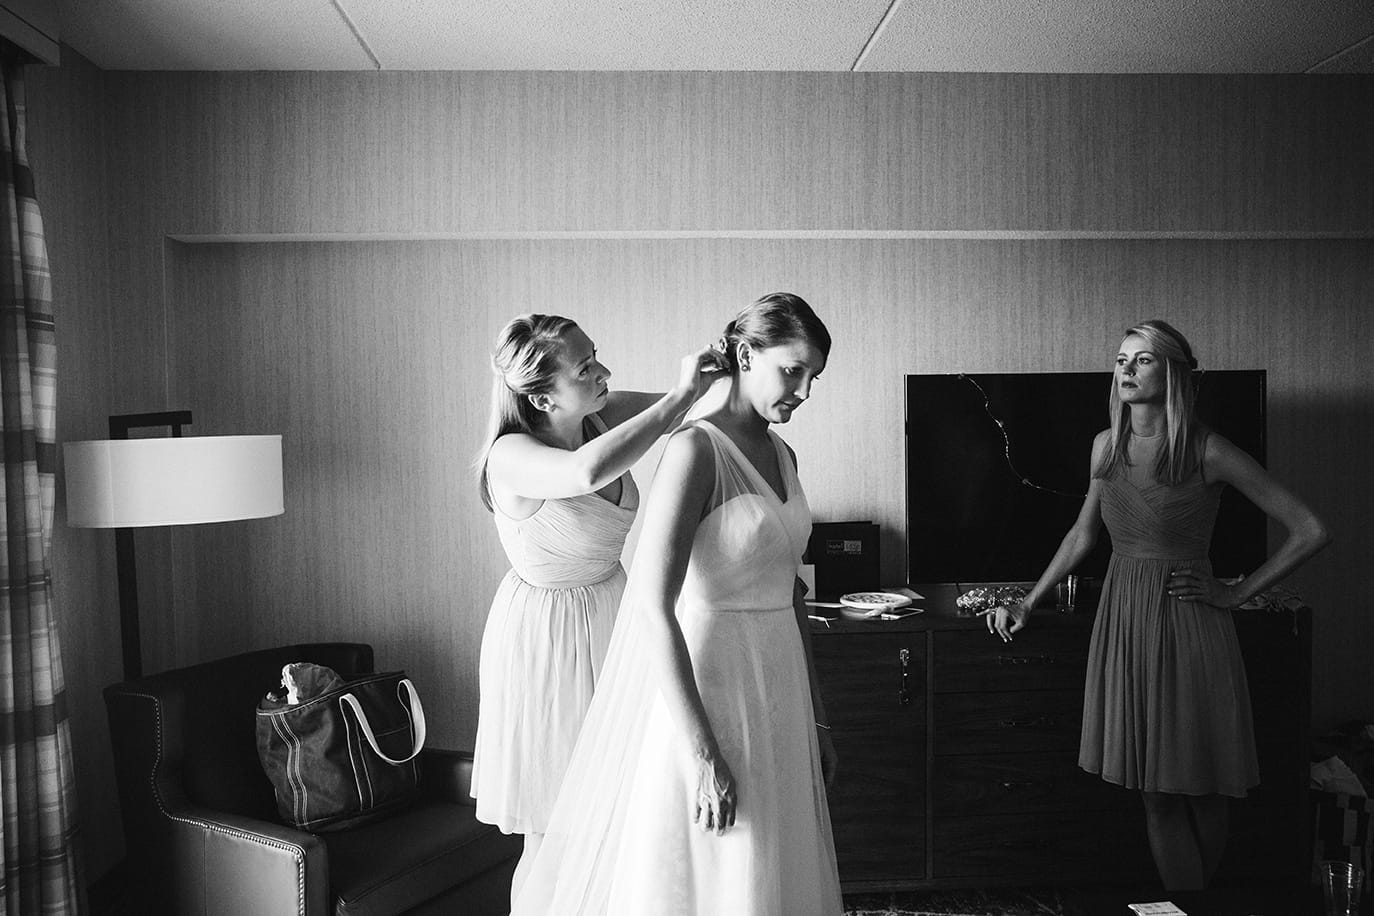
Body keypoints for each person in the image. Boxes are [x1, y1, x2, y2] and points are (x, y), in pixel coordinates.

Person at [511, 292, 843, 916]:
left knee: (774, 863)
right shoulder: (696, 451)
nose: (803, 390)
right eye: (792, 370)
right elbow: (650, 606)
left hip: (779, 685)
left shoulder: (786, 455)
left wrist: (817, 717)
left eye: (813, 377)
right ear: (746, 355)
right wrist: (702, 753)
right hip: (711, 687)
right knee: (717, 868)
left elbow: (792, 593)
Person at [986, 319, 1330, 892]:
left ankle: (1197, 903)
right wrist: (1027, 601)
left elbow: (1310, 528)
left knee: (1201, 786)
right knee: (1154, 790)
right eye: (1122, 359)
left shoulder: (1209, 450)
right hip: (1124, 619)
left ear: (1172, 372)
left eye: (1142, 360)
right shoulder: (1106, 445)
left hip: (1189, 623)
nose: (1126, 368)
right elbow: (1082, 535)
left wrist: (1237, 593)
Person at [471, 314, 725, 897]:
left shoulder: (597, 416)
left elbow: (680, 408)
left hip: (613, 614)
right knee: (554, 825)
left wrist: (722, 371)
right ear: (540, 395)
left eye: (596, 357)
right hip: (546, 639)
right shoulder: (509, 455)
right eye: (586, 368)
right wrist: (680, 396)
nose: (605, 373)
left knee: (621, 811)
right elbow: (587, 472)